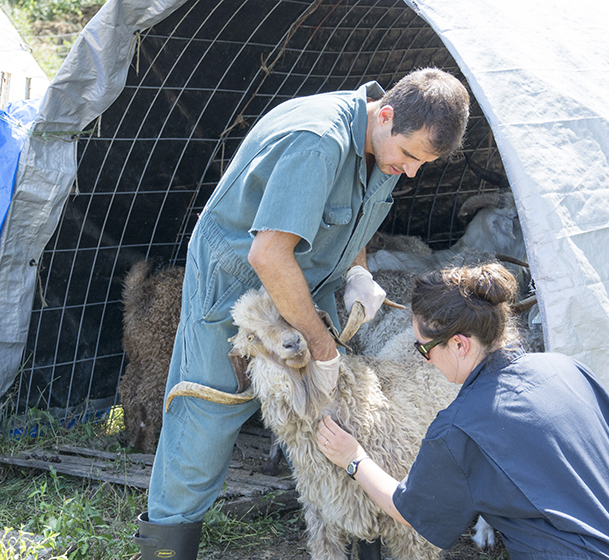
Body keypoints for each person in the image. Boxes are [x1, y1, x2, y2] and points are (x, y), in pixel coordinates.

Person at [133, 68, 470, 560]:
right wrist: (322, 344)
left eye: (424, 162)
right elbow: (268, 255)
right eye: (412, 155)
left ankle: (363, 538)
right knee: (205, 423)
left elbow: (352, 220)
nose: (413, 171)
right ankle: (166, 549)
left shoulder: (380, 146)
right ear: (389, 114)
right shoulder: (318, 143)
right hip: (240, 298)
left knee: (332, 419)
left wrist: (357, 271)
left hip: (305, 289)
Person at [316, 263, 609, 560]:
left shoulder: (462, 427)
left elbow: (407, 510)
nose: (424, 360)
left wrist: (353, 457)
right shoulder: (567, 369)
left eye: (424, 350)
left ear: (459, 344)